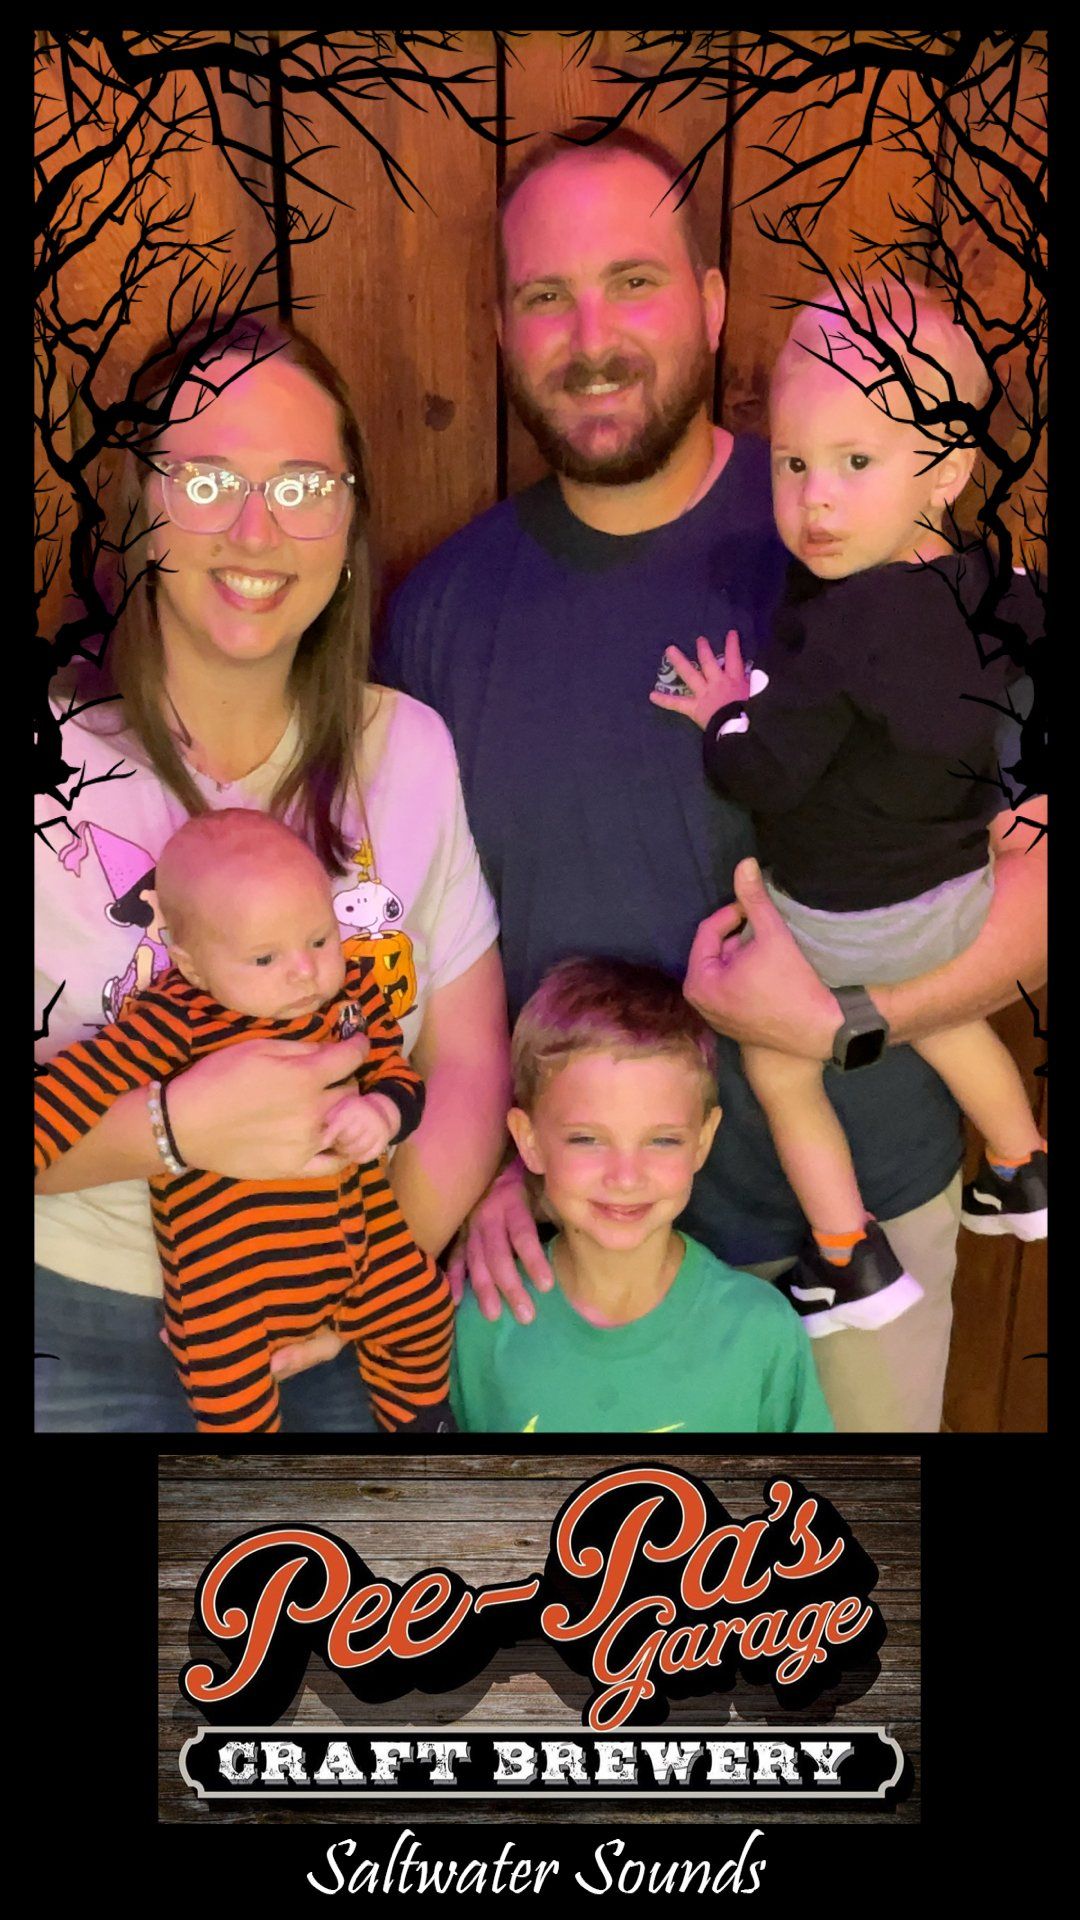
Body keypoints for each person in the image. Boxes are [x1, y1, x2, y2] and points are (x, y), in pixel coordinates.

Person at [377, 130, 1047, 1432]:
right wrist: (495, 1164)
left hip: (858, 1233)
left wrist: (856, 1019)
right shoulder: (439, 617)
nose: (592, 337)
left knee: (838, 1560)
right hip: (576, 1257)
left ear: (713, 300)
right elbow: (421, 956)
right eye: (545, 295)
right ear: (501, 329)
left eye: (634, 281)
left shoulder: (863, 534)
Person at [35, 311, 508, 1432]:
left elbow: (468, 1061)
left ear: (348, 521)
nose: (256, 529)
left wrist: (367, 1291)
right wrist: (172, 1128)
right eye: (206, 482)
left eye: (302, 486)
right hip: (77, 1330)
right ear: (139, 509)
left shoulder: (409, 751)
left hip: (351, 1318)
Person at [650, 282, 1046, 1337]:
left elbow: (764, 774)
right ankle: (1021, 1163)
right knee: (948, 1013)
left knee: (780, 1063)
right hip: (959, 899)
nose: (816, 500)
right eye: (793, 465)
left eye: (856, 463)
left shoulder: (833, 633)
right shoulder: (1000, 587)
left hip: (847, 924)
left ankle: (845, 1256)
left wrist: (722, 715)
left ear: (948, 469)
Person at [36, 811, 455, 1433]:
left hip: (366, 1243)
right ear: (193, 965)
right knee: (227, 1389)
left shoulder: (352, 997)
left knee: (423, 1308)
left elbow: (398, 1072)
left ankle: (421, 1425)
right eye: (264, 958)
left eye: (320, 940)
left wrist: (383, 1110)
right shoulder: (174, 1018)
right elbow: (79, 1085)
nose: (304, 971)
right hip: (232, 1276)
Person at [450, 958, 832, 1432]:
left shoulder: (759, 1331)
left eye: (662, 1140)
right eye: (587, 1139)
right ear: (528, 1141)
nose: (626, 1178)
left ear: (703, 1140)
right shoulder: (483, 1324)